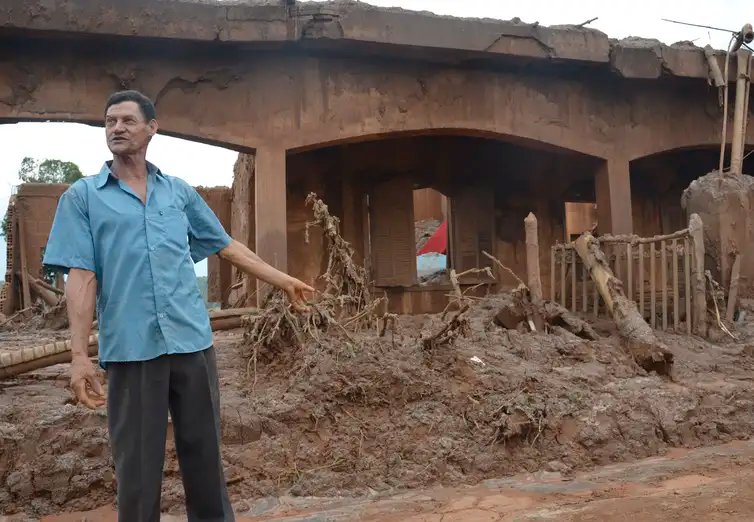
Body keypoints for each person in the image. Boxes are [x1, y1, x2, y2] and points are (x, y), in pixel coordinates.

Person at [43, 90, 314, 522]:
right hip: (133, 352)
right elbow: (82, 276)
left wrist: (283, 282)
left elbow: (224, 246)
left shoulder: (179, 193)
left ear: (153, 128)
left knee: (205, 458)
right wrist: (78, 356)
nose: (117, 128)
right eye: (110, 121)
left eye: (128, 121)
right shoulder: (83, 197)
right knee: (137, 467)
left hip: (192, 343)